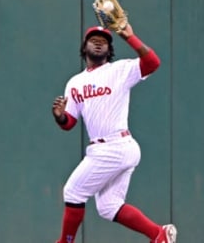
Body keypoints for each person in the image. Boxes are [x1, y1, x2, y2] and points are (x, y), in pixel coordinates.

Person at [51, 24, 177, 243]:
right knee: (109, 207)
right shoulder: (75, 83)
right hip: (109, 148)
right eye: (94, 38)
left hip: (114, 146)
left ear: (109, 50)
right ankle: (159, 234)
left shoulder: (120, 70)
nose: (99, 41)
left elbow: (153, 63)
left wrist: (130, 37)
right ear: (84, 47)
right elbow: (69, 123)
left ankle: (64, 242)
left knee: (73, 192)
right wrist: (60, 116)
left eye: (104, 40)